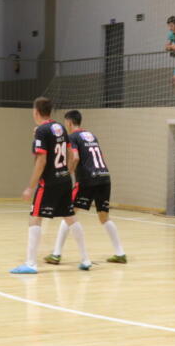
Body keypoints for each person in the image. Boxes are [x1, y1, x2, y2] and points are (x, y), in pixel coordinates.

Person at [10, 97, 91, 274]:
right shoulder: (60, 127)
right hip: (64, 180)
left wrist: (30, 187)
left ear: (36, 112)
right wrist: (67, 172)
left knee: (35, 217)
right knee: (70, 217)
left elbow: (41, 160)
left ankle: (31, 264)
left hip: (49, 182)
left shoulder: (42, 130)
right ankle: (85, 259)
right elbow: (72, 154)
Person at [44, 110, 126, 265]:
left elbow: (75, 156)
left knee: (67, 213)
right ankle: (120, 253)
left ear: (68, 122)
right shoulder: (91, 135)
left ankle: (56, 254)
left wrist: (68, 173)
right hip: (104, 176)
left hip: (88, 179)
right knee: (104, 217)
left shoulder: (72, 137)